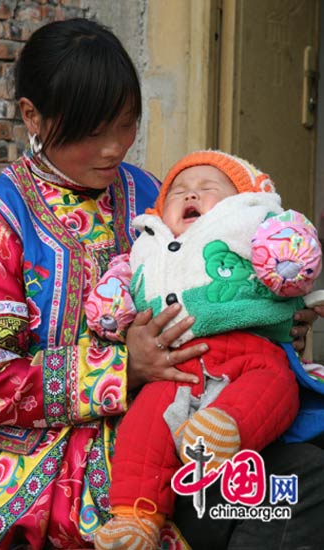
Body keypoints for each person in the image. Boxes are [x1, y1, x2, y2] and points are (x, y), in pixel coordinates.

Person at [0, 16, 322, 550]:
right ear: (33, 115)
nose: (113, 148)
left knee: (305, 461)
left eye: (125, 125)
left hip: (199, 406)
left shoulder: (149, 193)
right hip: (69, 467)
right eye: (91, 131)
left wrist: (268, 320)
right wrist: (121, 368)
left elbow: (216, 282)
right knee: (295, 484)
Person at [89, 150, 323, 549]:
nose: (190, 195)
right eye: (178, 191)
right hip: (176, 371)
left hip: (248, 353)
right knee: (145, 425)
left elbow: (292, 253)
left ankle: (224, 433)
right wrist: (115, 318)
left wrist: (289, 273)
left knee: (273, 387)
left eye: (206, 188)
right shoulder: (149, 240)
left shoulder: (249, 225)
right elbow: (119, 282)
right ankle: (134, 517)